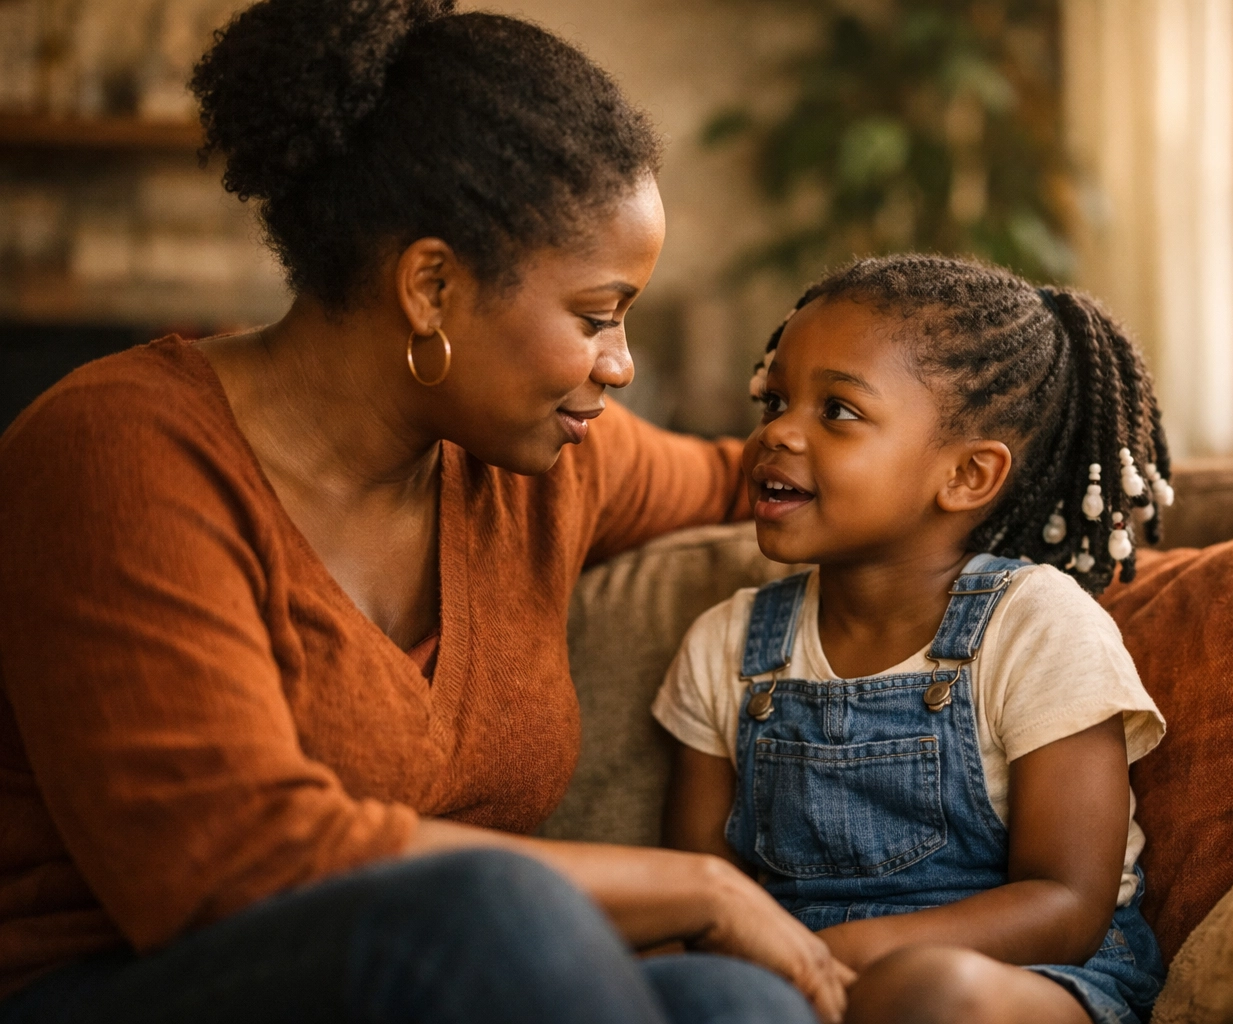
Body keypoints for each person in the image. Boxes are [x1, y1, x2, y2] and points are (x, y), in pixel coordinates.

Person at [0, 1, 852, 1021]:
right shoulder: (118, 452)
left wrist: (1058, 511)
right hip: (125, 981)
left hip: (457, 980)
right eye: (595, 317)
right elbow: (223, 863)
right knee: (494, 907)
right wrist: (698, 885)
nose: (620, 366)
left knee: (732, 1000)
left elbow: (765, 477)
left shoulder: (542, 462)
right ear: (433, 287)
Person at [654, 255, 1172, 1024]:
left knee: (930, 997)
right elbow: (699, 892)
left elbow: (1066, 903)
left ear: (966, 474)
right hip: (793, 984)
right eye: (774, 402)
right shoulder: (725, 644)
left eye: (836, 411)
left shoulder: (1037, 626)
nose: (775, 435)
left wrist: (852, 957)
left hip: (1032, 977)